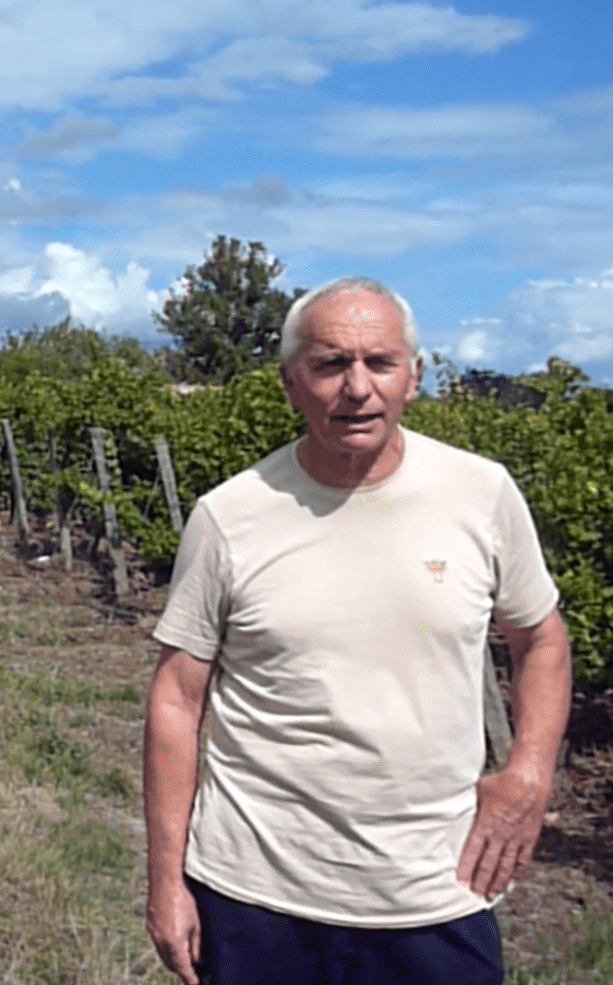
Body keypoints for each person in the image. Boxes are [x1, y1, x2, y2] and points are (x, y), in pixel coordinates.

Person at [142, 277, 571, 985]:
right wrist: (165, 882)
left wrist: (528, 771)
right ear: (289, 382)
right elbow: (175, 697)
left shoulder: (480, 493)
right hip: (256, 892)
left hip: (434, 887)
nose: (356, 387)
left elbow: (540, 641)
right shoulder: (230, 515)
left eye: (378, 362)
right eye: (329, 363)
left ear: (414, 375)